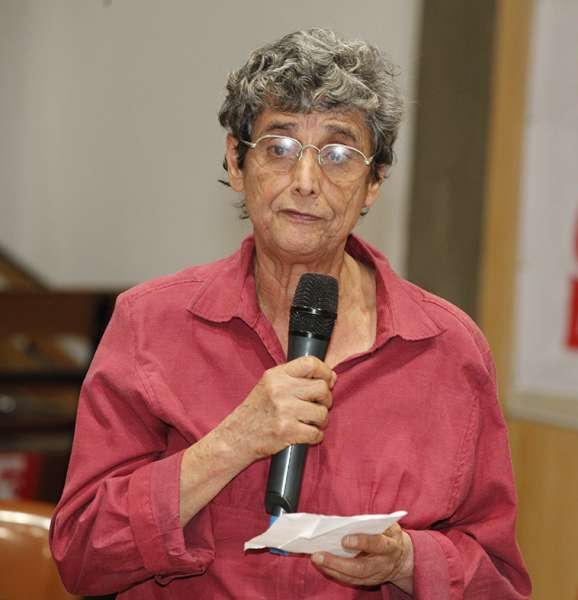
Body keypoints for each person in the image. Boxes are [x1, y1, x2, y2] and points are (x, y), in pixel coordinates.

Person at [49, 28, 532, 599]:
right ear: (236, 160)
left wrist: (406, 561)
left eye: (339, 155)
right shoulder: (151, 324)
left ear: (374, 182)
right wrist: (230, 444)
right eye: (279, 148)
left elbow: (500, 584)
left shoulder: (448, 350)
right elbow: (81, 555)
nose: (305, 182)